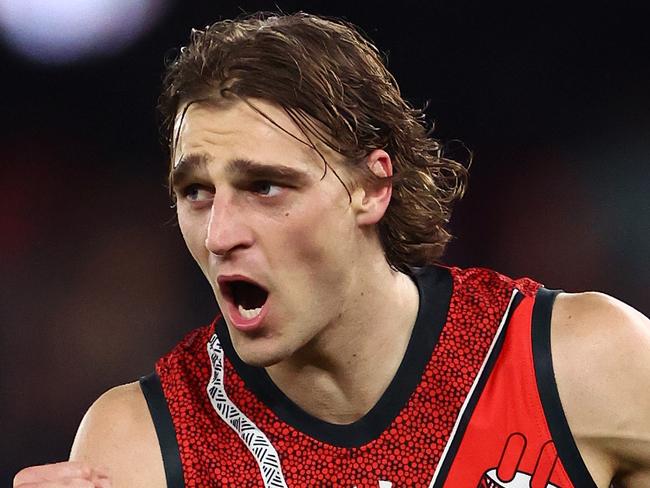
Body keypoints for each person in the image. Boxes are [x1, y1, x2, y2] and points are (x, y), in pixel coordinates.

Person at [14, 12, 649, 488]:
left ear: (371, 188)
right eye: (197, 192)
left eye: (264, 186)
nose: (219, 233)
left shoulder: (575, 365)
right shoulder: (143, 449)